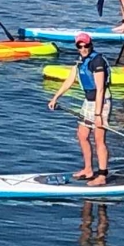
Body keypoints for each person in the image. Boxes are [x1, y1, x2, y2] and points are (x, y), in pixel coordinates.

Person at [47, 32, 110, 185]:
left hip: (101, 103)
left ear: (91, 44)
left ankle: (102, 175)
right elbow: (69, 81)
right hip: (88, 102)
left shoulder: (97, 61)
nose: (83, 48)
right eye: (80, 46)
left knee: (99, 139)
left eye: (86, 45)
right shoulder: (80, 62)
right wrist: (55, 98)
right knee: (82, 135)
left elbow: (100, 89)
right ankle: (88, 169)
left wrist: (98, 115)